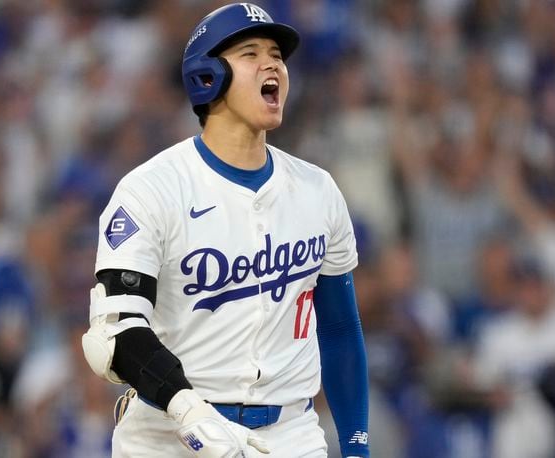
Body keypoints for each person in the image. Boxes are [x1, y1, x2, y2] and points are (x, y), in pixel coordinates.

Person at [81, 3, 369, 457]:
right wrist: (189, 411)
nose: (272, 63)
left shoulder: (318, 190)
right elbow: (115, 335)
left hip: (290, 434)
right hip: (168, 432)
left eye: (276, 54)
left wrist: (356, 445)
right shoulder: (151, 189)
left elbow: (337, 328)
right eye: (250, 53)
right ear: (207, 76)